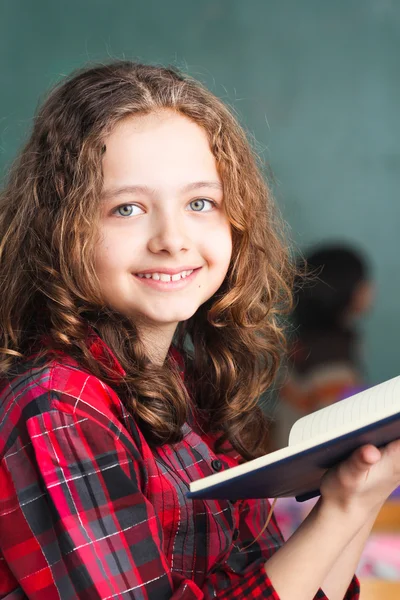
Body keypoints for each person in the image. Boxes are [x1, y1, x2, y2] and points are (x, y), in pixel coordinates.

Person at [0, 61, 399, 600]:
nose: (173, 238)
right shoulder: (58, 409)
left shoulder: (191, 383)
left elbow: (291, 586)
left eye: (199, 203)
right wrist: (342, 513)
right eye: (128, 208)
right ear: (59, 229)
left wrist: (357, 497)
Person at [273, 244, 374, 449]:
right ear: (349, 292)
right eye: (364, 281)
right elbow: (346, 443)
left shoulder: (302, 346)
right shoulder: (333, 364)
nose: (371, 288)